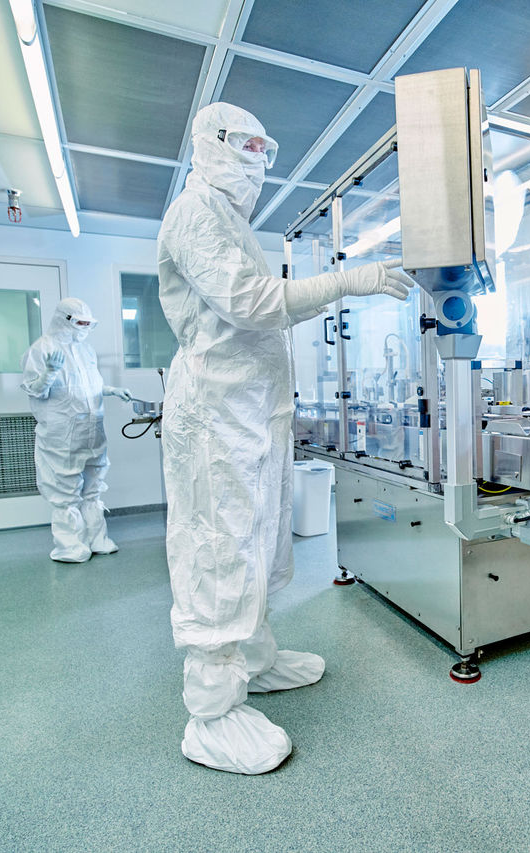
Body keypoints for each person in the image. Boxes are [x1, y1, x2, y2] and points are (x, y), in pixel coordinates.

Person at [157, 102, 416, 774]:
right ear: (212, 145)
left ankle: (254, 659)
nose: (259, 163)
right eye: (247, 147)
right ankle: (210, 715)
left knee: (259, 539)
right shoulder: (195, 213)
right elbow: (250, 302)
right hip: (216, 416)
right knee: (221, 548)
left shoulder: (233, 222)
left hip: (250, 412)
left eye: (264, 150)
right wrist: (345, 281)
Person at [20, 297, 132, 563]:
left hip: (92, 430)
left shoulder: (85, 350)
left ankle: (97, 539)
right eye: (79, 323)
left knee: (93, 487)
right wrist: (49, 372)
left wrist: (111, 390)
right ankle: (70, 546)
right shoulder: (42, 349)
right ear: (64, 319)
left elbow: (87, 385)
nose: (83, 328)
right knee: (65, 491)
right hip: (62, 433)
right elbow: (33, 390)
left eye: (87, 324)